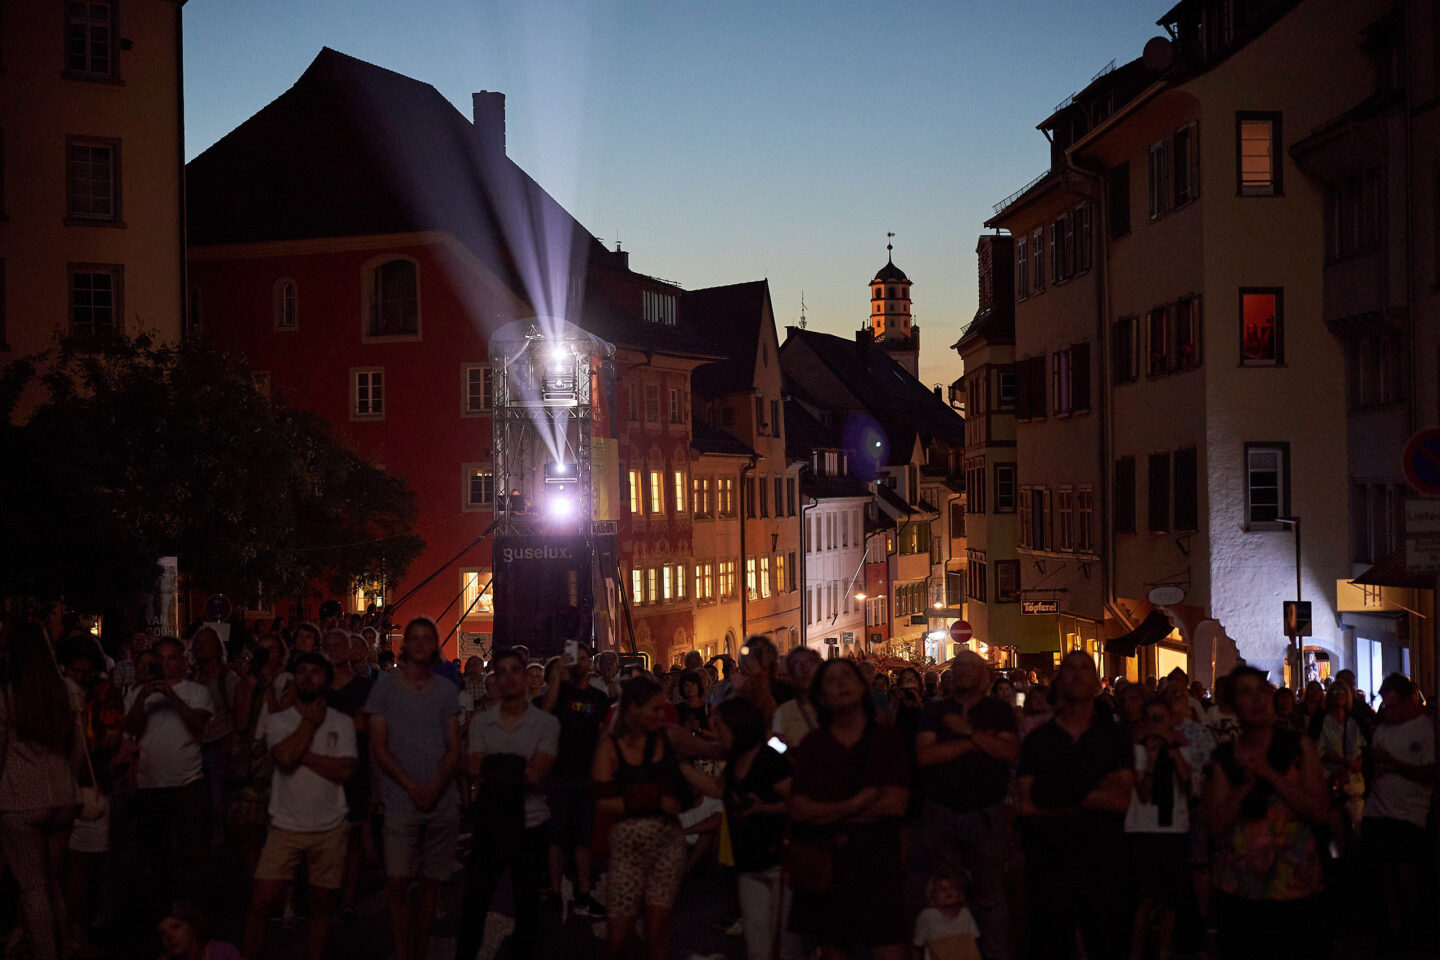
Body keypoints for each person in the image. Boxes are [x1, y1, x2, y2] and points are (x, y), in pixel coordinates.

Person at [788, 658, 909, 959]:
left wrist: (827, 810)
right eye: (831, 680)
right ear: (821, 695)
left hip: (877, 861)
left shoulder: (887, 738)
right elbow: (799, 809)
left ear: (862, 686)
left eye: (847, 676)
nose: (840, 684)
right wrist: (860, 802)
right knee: (833, 950)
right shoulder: (814, 744)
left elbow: (895, 804)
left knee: (889, 949)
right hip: (829, 864)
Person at [1204, 666, 1329, 959]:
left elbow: (1319, 811)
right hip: (1241, 892)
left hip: (1295, 888)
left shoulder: (1300, 747)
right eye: (1245, 693)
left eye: (1261, 691)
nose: (1256, 699)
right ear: (1233, 706)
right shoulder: (1224, 757)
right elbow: (1216, 824)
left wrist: (1271, 775)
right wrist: (1246, 785)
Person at [1016, 651, 1134, 960]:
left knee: (1106, 945)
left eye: (1086, 668)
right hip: (1049, 864)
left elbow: (1122, 800)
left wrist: (1057, 791)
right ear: (1059, 679)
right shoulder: (1039, 741)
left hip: (1104, 864)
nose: (1078, 675)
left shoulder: (1114, 737)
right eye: (1070, 668)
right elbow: (1026, 803)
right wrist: (1093, 789)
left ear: (1096, 681)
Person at [242, 653, 357, 960]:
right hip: (285, 825)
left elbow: (344, 770)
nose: (307, 677)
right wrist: (309, 723)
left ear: (327, 680)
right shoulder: (279, 720)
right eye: (301, 672)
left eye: (315, 672)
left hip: (330, 825)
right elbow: (285, 759)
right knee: (262, 901)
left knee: (321, 904)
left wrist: (299, 753)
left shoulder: (342, 722)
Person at [365, 618, 463, 960]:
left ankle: (420, 949)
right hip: (399, 800)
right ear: (405, 644)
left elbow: (454, 746)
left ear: (435, 645)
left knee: (430, 884)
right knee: (397, 881)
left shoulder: (447, 691)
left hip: (441, 800)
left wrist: (435, 785)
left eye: (427, 638)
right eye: (415, 637)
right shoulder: (385, 688)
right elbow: (378, 745)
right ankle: (402, 949)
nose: (421, 643)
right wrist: (411, 785)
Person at [455, 649, 559, 960]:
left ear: (526, 675)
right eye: (502, 671)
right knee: (474, 903)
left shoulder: (545, 723)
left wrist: (496, 765)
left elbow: (538, 774)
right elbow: (473, 767)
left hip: (530, 822)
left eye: (516, 669)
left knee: (527, 906)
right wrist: (517, 766)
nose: (510, 676)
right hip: (490, 824)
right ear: (496, 679)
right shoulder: (482, 723)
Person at [914, 651, 1017, 960]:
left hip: (986, 812)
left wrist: (966, 733)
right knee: (947, 896)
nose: (961, 672)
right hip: (942, 812)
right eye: (957, 667)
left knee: (992, 896)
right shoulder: (935, 711)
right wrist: (976, 742)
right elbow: (925, 756)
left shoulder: (998, 711)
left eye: (969, 667)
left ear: (984, 675)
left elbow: (1008, 752)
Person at [689, 696, 796, 960]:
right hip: (749, 861)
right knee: (758, 943)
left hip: (779, 862)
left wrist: (764, 809)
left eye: (720, 726)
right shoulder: (737, 760)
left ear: (737, 726)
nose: (716, 733)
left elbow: (798, 801)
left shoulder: (769, 758)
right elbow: (718, 788)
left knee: (787, 946)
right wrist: (680, 765)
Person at [0, 624, 82, 960]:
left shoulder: (8, 691)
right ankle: (62, 950)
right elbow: (77, 750)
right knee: (54, 884)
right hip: (62, 794)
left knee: (33, 889)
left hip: (22, 796)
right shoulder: (66, 689)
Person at [125, 635, 215, 911]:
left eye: (172, 657)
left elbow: (198, 724)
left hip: (187, 781)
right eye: (160, 659)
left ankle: (195, 910)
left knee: (191, 850)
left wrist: (170, 695)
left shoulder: (196, 692)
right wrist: (144, 695)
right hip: (151, 782)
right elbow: (131, 728)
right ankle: (162, 910)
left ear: (182, 661)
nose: (166, 664)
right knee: (157, 852)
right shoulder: (137, 693)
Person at [59, 636, 124, 958]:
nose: (81, 678)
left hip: (91, 785)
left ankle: (78, 928)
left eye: (86, 671)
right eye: (75, 671)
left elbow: (113, 736)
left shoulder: (104, 693)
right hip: (60, 786)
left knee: (86, 865)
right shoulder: (56, 692)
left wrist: (88, 742)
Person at [1361, 673, 1435, 948]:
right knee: (1384, 876)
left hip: (1408, 813)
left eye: (1392, 706)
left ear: (1408, 701)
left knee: (1406, 876)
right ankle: (1392, 932)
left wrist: (1392, 762)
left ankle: (1413, 931)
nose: (1388, 712)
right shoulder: (1383, 729)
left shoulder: (1424, 729)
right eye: (1385, 707)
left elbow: (1428, 772)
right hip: (1378, 810)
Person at [544, 642, 610, 918]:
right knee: (557, 838)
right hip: (559, 775)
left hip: (586, 776)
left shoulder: (598, 697)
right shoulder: (559, 694)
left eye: (584, 658)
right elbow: (544, 715)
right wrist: (558, 679)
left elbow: (605, 734)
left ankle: (583, 891)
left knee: (584, 839)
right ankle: (555, 891)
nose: (581, 663)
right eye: (576, 659)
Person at [1123, 697, 1192, 960]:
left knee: (1170, 899)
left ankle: (1164, 950)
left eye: (1160, 718)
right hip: (1145, 829)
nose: (1156, 724)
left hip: (1174, 827)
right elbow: (1141, 793)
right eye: (1150, 718)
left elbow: (1189, 785)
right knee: (1146, 897)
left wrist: (1172, 752)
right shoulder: (1138, 750)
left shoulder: (1180, 748)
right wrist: (1151, 762)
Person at [322, 628, 373, 915]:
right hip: (320, 770)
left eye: (338, 644)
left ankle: (349, 896)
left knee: (352, 835)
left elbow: (363, 726)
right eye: (327, 644)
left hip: (355, 768)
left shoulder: (366, 687)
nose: (333, 649)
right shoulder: (317, 686)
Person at [191, 627, 238, 846]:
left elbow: (237, 713)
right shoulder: (193, 677)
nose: (200, 646)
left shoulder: (226, 678)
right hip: (197, 746)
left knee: (218, 799)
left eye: (205, 642)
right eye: (197, 642)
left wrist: (230, 744)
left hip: (219, 744)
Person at [1313, 682, 1365, 849]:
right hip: (1330, 781)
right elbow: (1318, 751)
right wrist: (1343, 764)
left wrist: (1348, 769)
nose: (1339, 694)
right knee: (1334, 833)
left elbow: (1360, 751)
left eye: (1343, 691)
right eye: (1335, 691)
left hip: (1352, 784)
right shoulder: (1322, 721)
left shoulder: (1354, 723)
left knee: (1356, 830)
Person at [913, 870, 980, 960]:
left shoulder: (965, 915)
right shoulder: (928, 916)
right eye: (942, 889)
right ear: (933, 895)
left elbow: (973, 942)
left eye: (952, 888)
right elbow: (918, 944)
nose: (948, 892)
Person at [771, 647, 821, 748]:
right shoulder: (783, 712)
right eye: (797, 665)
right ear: (790, 674)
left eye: (809, 663)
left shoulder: (836, 705)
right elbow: (775, 747)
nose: (804, 669)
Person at [159, 901, 242, 960]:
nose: (169, 937)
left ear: (192, 927)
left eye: (175, 927)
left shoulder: (223, 953)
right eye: (163, 933)